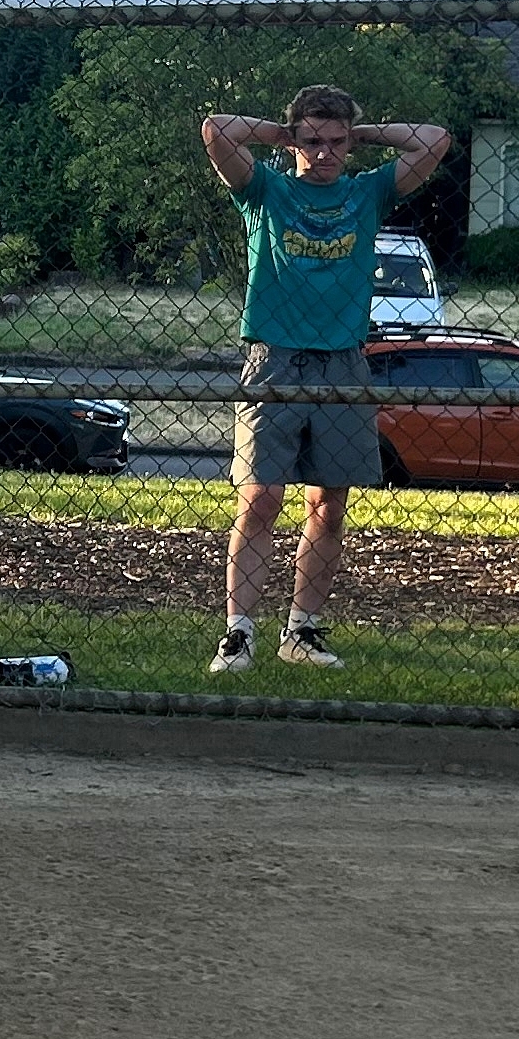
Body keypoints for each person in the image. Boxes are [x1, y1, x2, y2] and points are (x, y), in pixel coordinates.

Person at [197, 86, 454, 671]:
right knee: (261, 498)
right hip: (276, 357)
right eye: (313, 140)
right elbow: (216, 130)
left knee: (328, 505)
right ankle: (238, 633)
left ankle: (302, 632)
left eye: (336, 141)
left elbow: (435, 141)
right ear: (294, 139)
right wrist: (281, 135)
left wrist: (364, 134)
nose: (325, 152)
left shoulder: (365, 193)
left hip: (343, 361)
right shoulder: (267, 190)